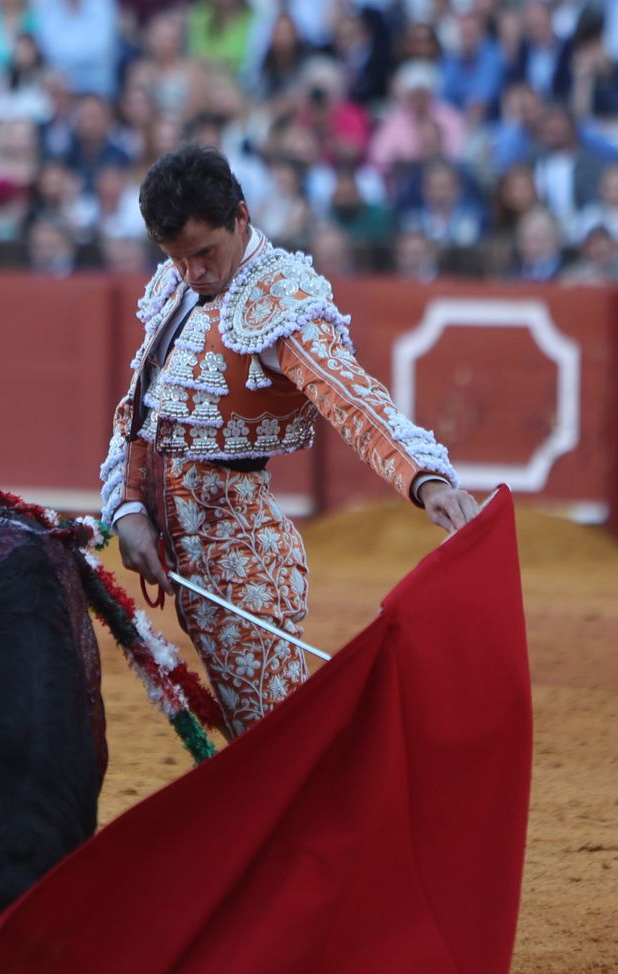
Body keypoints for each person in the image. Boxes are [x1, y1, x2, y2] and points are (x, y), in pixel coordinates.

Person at [98, 145, 476, 738]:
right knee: (259, 737)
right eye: (176, 258)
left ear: (241, 218)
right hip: (186, 555)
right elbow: (142, 410)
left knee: (276, 739)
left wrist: (423, 477)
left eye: (204, 253)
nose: (192, 272)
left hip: (237, 555)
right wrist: (127, 507)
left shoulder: (280, 298)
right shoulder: (180, 288)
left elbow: (347, 396)